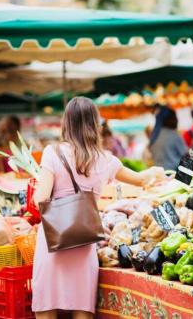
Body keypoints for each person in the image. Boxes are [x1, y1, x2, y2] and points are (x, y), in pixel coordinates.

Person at [32, 97, 165, 319]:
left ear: (67, 123)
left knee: (47, 304)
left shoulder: (52, 154)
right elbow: (142, 179)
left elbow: (41, 199)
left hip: (53, 240)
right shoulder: (106, 160)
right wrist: (159, 171)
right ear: (95, 124)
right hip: (84, 241)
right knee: (81, 308)